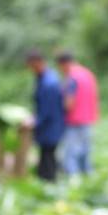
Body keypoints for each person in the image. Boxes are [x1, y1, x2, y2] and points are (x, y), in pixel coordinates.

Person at [56, 50, 100, 176]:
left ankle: (74, 184)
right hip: (88, 119)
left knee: (71, 155)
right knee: (85, 153)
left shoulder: (72, 78)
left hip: (74, 121)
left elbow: (69, 104)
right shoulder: (88, 74)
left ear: (64, 64)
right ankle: (88, 181)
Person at [25, 49, 65, 182]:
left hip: (50, 126)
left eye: (32, 66)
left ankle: (49, 183)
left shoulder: (49, 82)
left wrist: (34, 121)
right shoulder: (43, 78)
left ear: (38, 63)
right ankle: (45, 181)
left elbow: (47, 110)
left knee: (48, 157)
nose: (31, 70)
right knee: (46, 156)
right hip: (48, 126)